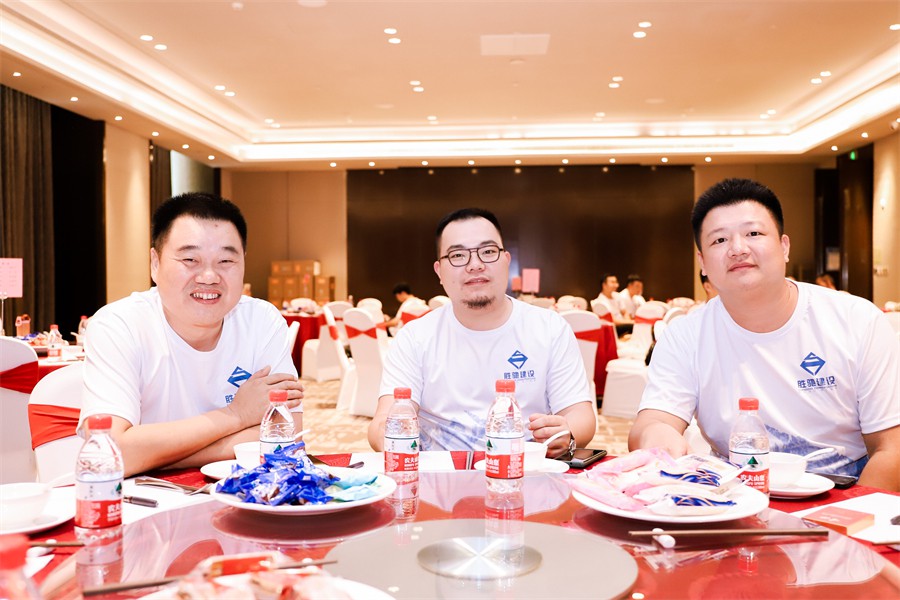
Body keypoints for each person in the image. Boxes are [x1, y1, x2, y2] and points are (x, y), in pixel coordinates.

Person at [629, 178, 899, 490]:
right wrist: (658, 438)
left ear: (784, 246)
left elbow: (892, 448)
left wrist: (845, 516)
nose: (738, 249)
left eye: (753, 233)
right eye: (719, 240)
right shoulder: (685, 335)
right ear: (702, 263)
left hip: (846, 491)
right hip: (735, 496)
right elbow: (652, 423)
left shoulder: (856, 320)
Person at [80, 192, 304, 477]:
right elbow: (109, 454)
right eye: (190, 259)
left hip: (243, 492)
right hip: (145, 497)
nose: (209, 276)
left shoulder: (261, 321)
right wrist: (236, 415)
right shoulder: (119, 325)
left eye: (226, 261)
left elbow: (286, 437)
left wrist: (154, 455)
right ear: (155, 263)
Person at [367, 208, 596, 457]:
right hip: (440, 475)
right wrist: (386, 434)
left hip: (526, 470)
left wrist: (567, 431)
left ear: (506, 260)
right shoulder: (415, 337)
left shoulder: (549, 328)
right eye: (458, 255)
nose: (475, 265)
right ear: (439, 271)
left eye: (487, 252)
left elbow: (580, 415)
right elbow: (384, 419)